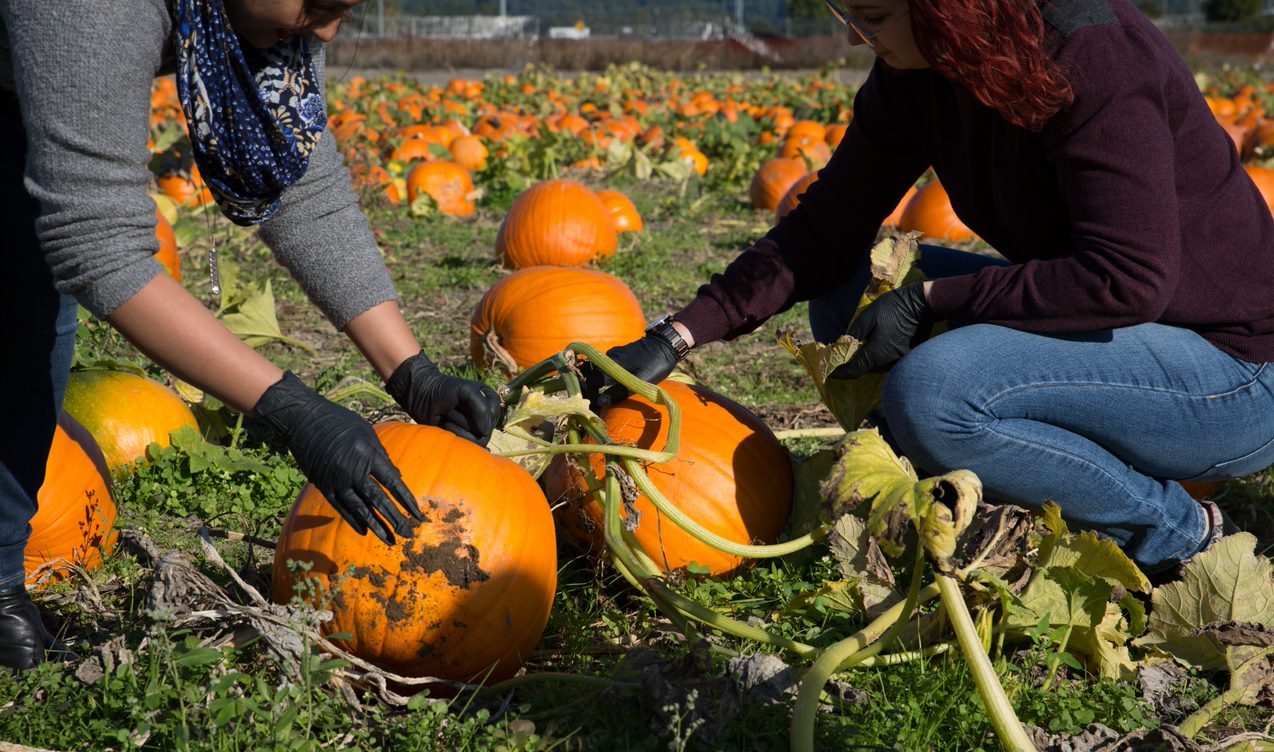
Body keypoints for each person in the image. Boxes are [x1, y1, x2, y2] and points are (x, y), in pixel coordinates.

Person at [588, 0, 1274, 578]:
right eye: (845, 14)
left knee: (935, 393)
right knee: (848, 293)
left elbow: (1128, 277)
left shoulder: (1095, 55)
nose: (858, 37)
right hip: (1117, 335)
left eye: (874, 15)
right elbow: (824, 229)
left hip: (1233, 372)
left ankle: (1180, 532)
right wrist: (675, 335)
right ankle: (996, 473)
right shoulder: (923, 71)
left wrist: (933, 301)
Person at [0, 0, 502, 671]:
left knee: (27, 310)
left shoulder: (263, 11)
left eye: (346, 9)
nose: (325, 30)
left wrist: (411, 370)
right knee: (31, 301)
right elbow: (100, 247)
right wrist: (291, 410)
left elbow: (296, 176)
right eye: (320, 4)